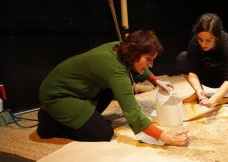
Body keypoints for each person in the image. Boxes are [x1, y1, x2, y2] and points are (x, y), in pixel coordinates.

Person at [37, 30, 190, 147]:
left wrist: (155, 81)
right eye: (148, 59)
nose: (151, 65)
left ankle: (79, 118)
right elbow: (132, 113)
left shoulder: (122, 48)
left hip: (79, 90)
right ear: (135, 53)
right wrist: (165, 136)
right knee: (103, 133)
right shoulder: (116, 70)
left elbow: (139, 68)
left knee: (109, 91)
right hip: (57, 95)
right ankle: (49, 121)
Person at [175, 13, 228, 107]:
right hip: (207, 75)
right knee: (182, 58)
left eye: (208, 40)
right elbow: (192, 71)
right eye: (200, 39)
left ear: (217, 37)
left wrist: (213, 100)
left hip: (224, 79)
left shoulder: (226, 43)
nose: (203, 44)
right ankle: (199, 93)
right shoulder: (194, 42)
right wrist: (198, 89)